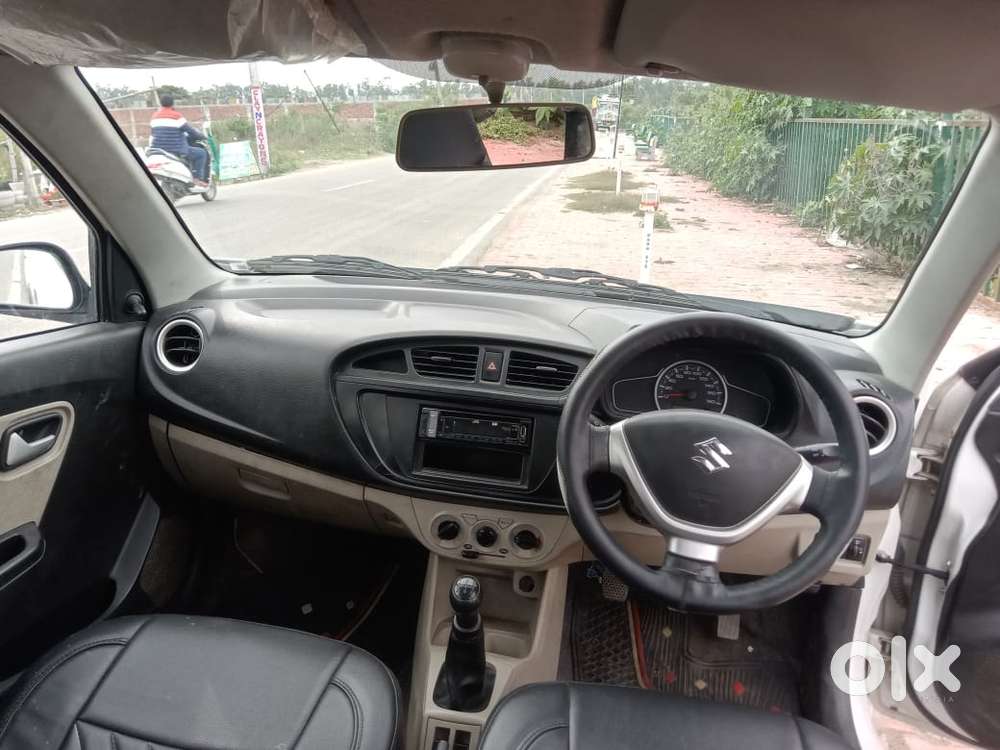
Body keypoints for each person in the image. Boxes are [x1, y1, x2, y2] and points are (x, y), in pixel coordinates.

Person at [149, 94, 210, 186]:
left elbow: (154, 133)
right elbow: (190, 131)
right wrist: (201, 136)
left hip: (158, 150)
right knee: (201, 153)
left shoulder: (154, 117)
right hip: (176, 149)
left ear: (161, 104)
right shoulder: (176, 116)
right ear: (173, 104)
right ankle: (197, 179)